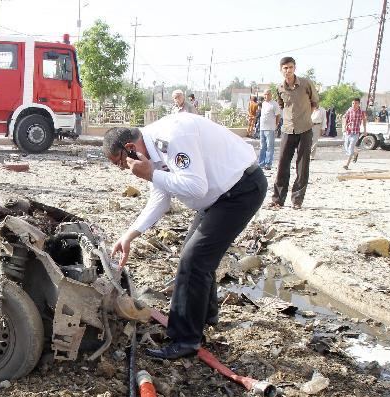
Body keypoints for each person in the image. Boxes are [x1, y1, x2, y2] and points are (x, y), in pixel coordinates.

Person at [104, 112, 266, 360]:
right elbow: (160, 198)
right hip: (218, 196)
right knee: (193, 254)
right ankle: (206, 315)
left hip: (240, 191)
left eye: (120, 163)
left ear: (129, 148)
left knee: (194, 259)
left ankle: (185, 340)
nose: (125, 169)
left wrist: (150, 174)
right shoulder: (150, 151)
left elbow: (196, 185)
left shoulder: (171, 138)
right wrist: (129, 235)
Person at [269, 56, 319, 210]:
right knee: (283, 164)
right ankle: (278, 199)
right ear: (281, 70)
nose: (288, 71)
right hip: (287, 130)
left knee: (302, 166)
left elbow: (315, 102)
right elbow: (282, 105)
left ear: (294, 68)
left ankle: (297, 200)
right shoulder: (279, 88)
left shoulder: (306, 84)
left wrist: (305, 117)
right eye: (285, 68)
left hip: (305, 129)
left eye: (290, 67)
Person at [258, 90, 281, 170]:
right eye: (264, 94)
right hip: (262, 128)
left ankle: (268, 164)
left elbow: (278, 116)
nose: (266, 96)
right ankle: (261, 163)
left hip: (270, 129)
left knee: (269, 147)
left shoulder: (274, 104)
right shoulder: (263, 104)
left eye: (267, 94)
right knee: (262, 146)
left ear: (271, 95)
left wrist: (275, 125)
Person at [341, 97, 366, 170]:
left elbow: (364, 121)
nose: (354, 104)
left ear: (358, 104)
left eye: (355, 103)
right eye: (353, 103)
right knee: (346, 147)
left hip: (355, 133)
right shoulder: (349, 111)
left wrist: (365, 130)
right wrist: (344, 127)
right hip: (348, 132)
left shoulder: (361, 112)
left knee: (351, 147)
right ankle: (355, 154)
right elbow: (346, 118)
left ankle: (346, 164)